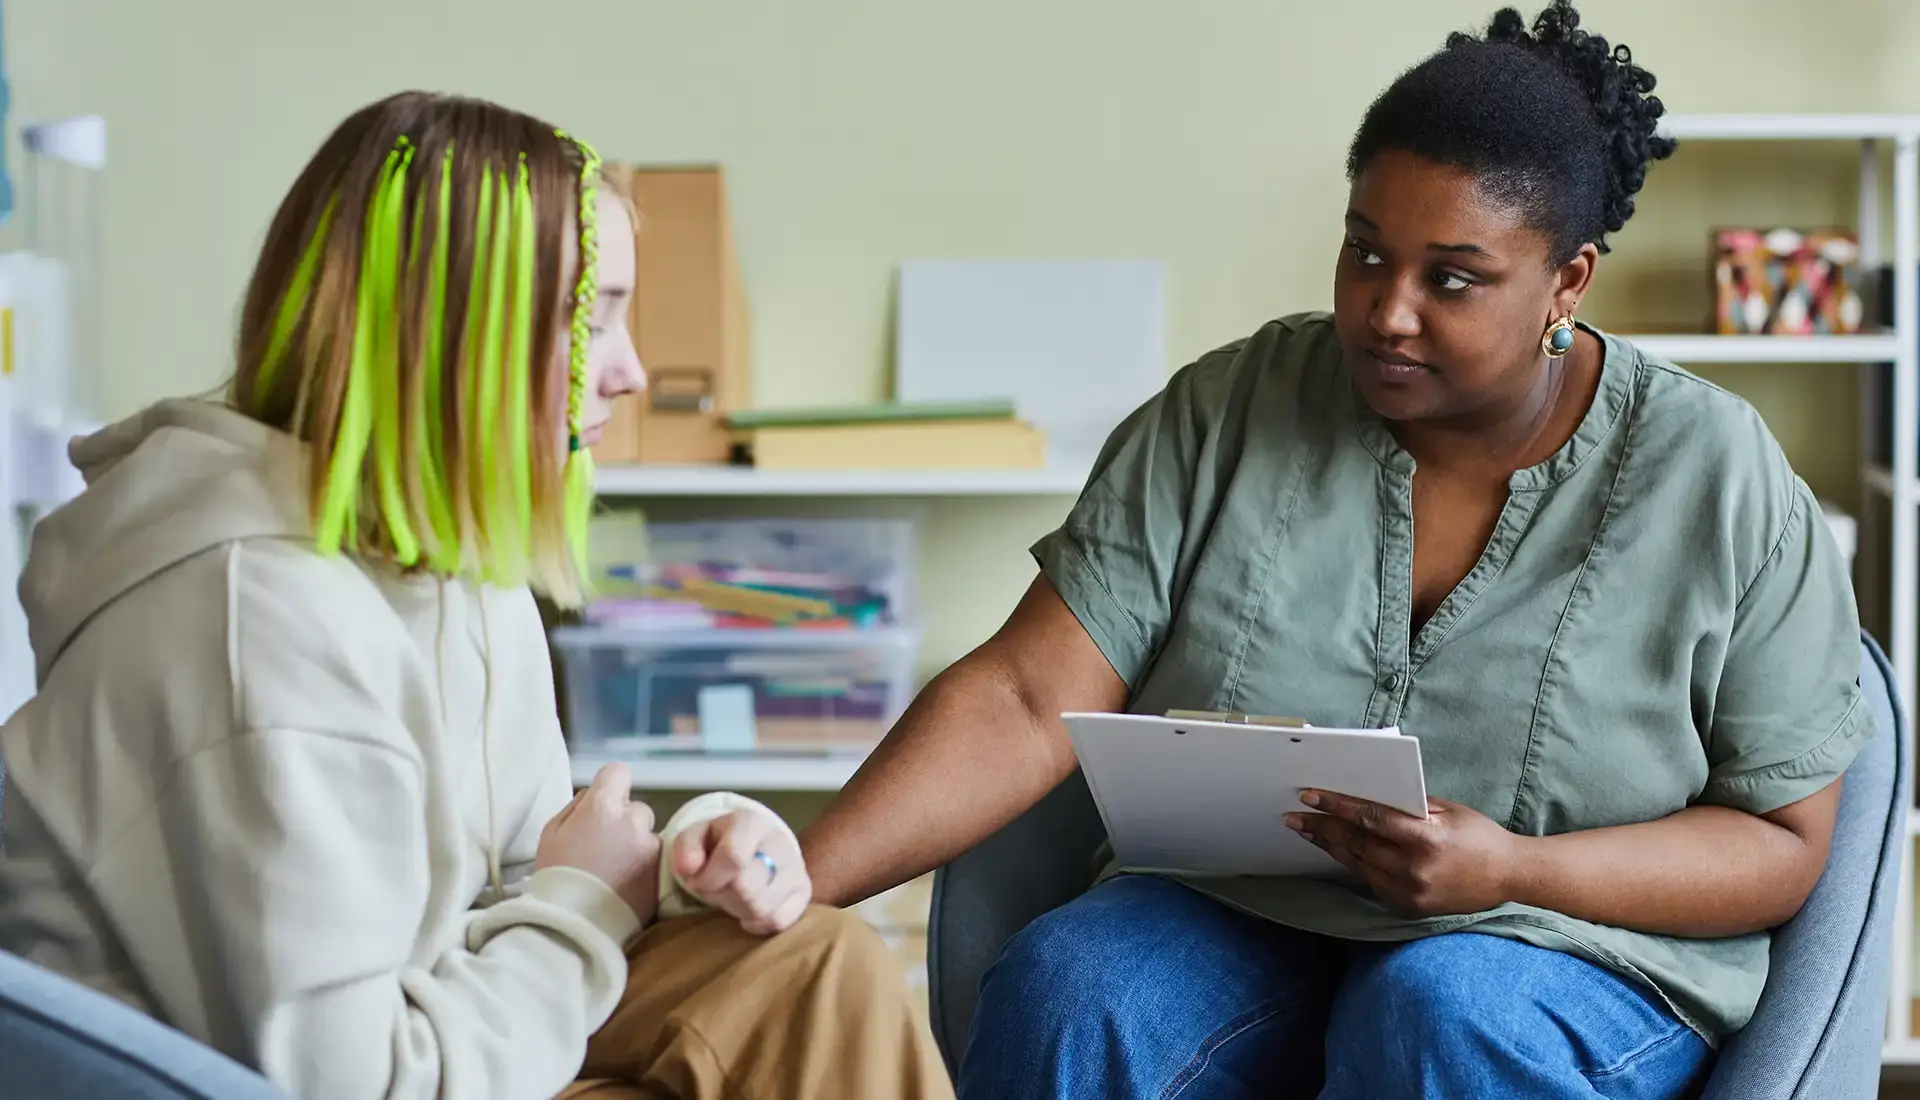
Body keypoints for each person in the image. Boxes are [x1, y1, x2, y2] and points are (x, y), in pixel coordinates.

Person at [800, 4, 1870, 1098]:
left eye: (1451, 277)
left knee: (1438, 1012)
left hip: (1565, 946)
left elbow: (1783, 841)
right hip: (1244, 914)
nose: (1385, 311)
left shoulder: (1716, 472)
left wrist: (1514, 867)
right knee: (1076, 983)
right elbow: (1026, 693)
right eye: (1364, 250)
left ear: (1568, 281)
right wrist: (789, 882)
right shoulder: (1228, 409)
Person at [0, 92, 951, 1100]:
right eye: (597, 318)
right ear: (460, 333)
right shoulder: (253, 622)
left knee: (822, 963)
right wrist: (587, 901)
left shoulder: (455, 571)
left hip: (442, 1026)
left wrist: (683, 863)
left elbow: (515, 874)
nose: (629, 372)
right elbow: (362, 1079)